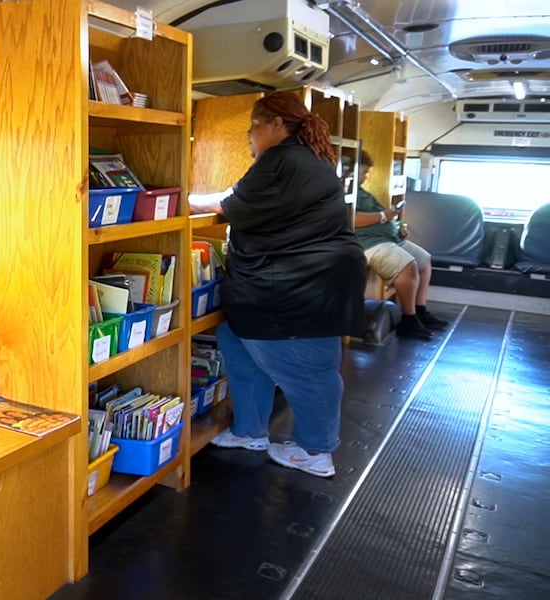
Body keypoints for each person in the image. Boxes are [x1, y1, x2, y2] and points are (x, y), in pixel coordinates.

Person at [188, 91, 366, 478]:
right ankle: (249, 430)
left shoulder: (283, 159)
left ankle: (315, 451)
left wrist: (182, 199)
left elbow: (230, 204)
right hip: (314, 281)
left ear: (278, 124)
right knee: (235, 339)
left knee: (307, 370)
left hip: (298, 286)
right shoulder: (309, 158)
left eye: (254, 126)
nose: (250, 136)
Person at [353, 150, 449, 339]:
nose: (365, 177)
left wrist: (396, 228)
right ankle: (409, 320)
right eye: (364, 172)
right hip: (368, 243)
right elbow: (351, 218)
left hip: (388, 238)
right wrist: (383, 217)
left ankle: (420, 311)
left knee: (424, 260)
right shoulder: (342, 192)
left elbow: (380, 217)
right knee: (408, 266)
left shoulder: (362, 192)